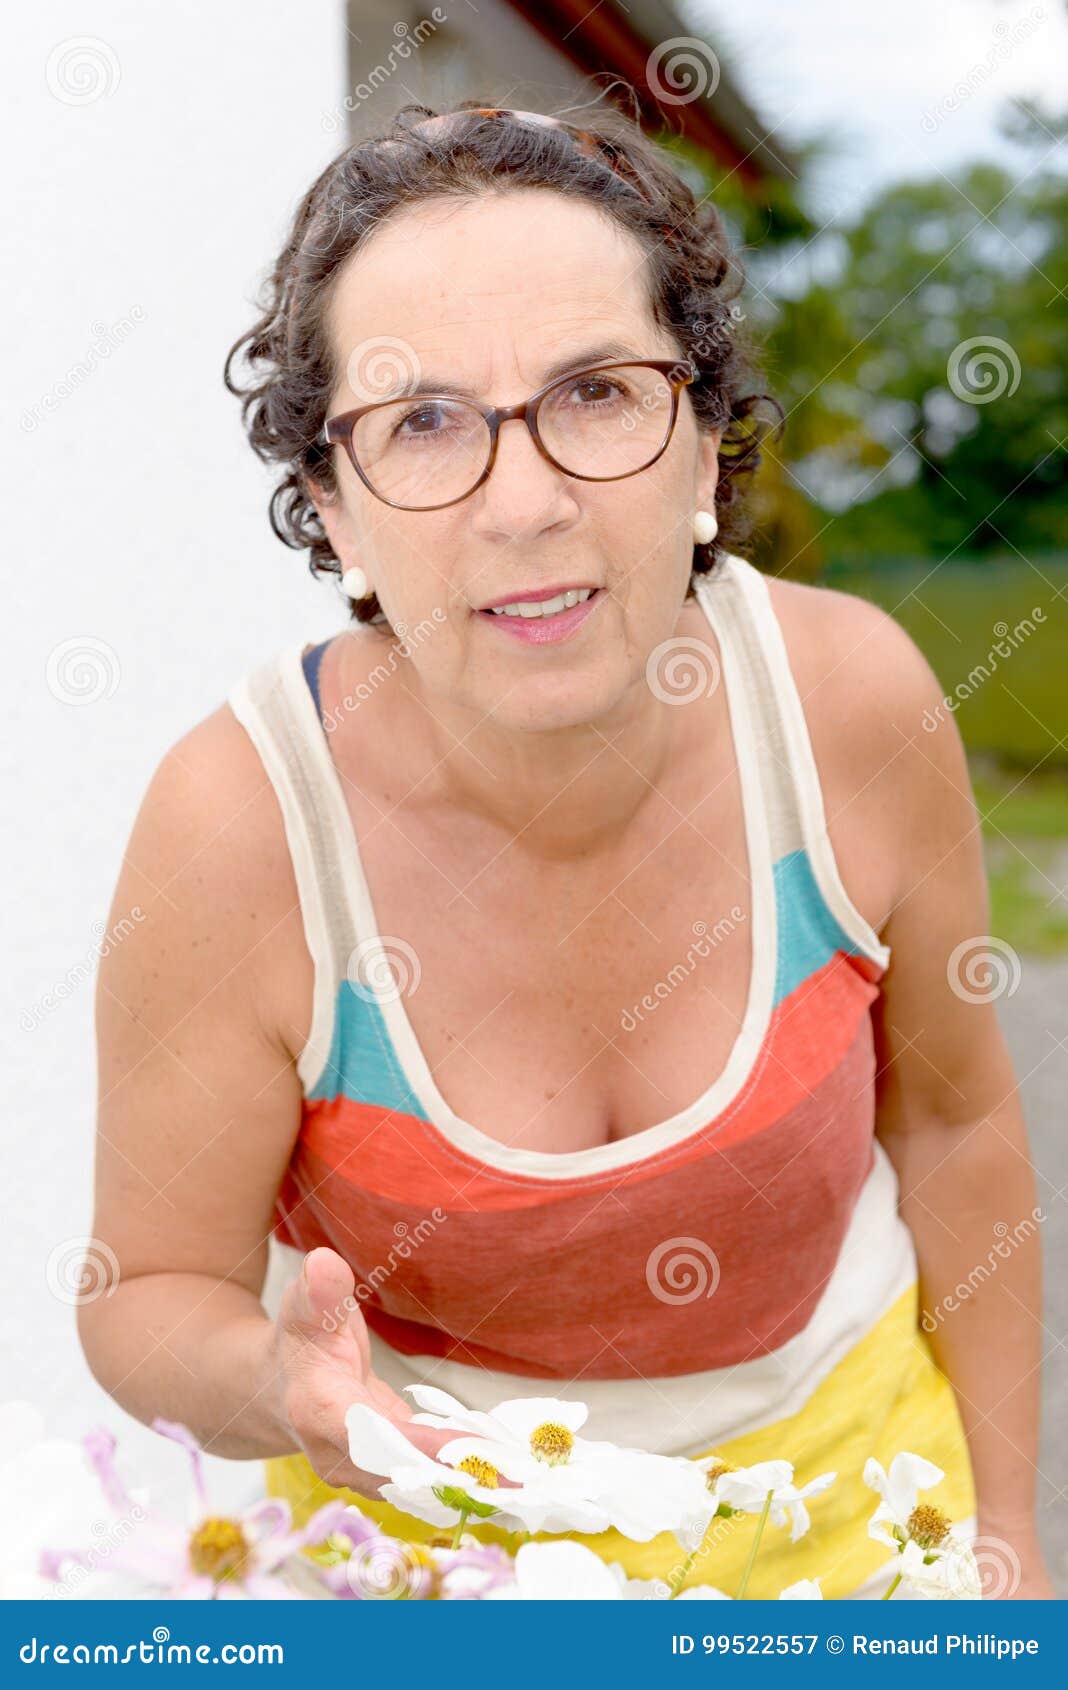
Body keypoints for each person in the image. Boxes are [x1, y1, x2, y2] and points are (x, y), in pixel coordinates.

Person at [80, 100, 1053, 1598]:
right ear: (331, 509)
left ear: (704, 442)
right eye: (422, 422)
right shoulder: (240, 823)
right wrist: (286, 1389)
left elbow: (958, 1133)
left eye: (595, 392)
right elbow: (147, 1291)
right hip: (424, 1562)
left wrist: (1005, 1534)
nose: (525, 503)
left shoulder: (852, 702)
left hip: (856, 1514)